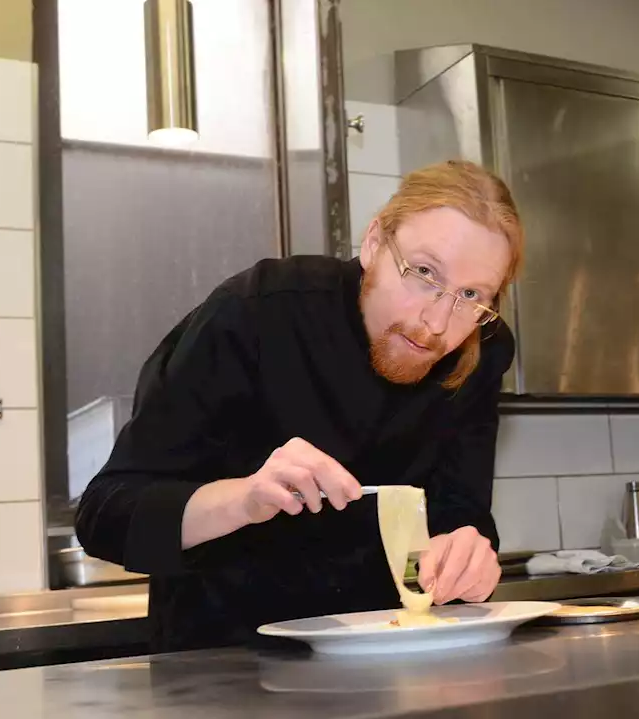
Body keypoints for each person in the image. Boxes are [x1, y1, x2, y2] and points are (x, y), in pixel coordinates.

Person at [74, 160, 524, 652]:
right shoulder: (256, 313)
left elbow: (458, 508)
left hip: (390, 656)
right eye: (423, 273)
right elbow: (107, 515)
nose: (437, 323)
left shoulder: (484, 349)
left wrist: (465, 551)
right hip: (226, 664)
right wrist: (247, 498)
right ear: (374, 243)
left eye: (471, 294)